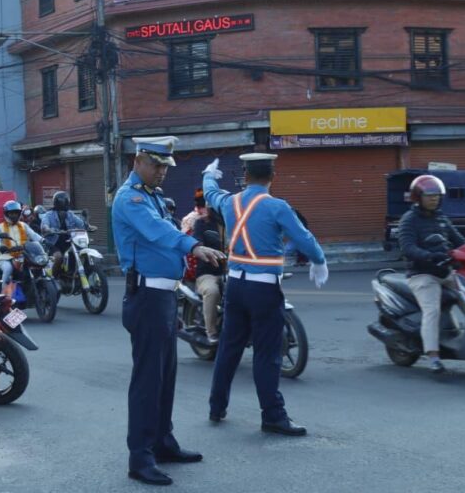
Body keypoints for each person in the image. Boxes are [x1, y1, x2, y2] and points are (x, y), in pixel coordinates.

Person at [112, 136, 225, 487]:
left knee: (165, 378)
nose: (161, 171)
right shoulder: (130, 199)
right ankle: (140, 457)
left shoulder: (154, 196)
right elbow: (158, 231)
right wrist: (193, 245)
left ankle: (162, 442)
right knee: (147, 382)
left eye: (165, 166)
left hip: (163, 296)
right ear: (137, 162)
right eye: (155, 164)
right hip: (146, 297)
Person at [203, 152, 327, 437]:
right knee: (267, 353)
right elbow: (303, 237)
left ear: (245, 176)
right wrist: (319, 261)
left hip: (235, 286)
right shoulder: (277, 207)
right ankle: (273, 416)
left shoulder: (229, 202)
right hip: (263, 288)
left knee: (229, 348)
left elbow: (210, 193)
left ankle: (216, 407)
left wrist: (208, 174)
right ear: (273, 177)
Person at [398, 174, 465, 374]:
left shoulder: (441, 218)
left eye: (437, 195)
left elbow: (460, 241)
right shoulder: (409, 220)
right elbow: (408, 248)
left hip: (446, 271)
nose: (434, 199)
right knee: (432, 310)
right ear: (418, 197)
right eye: (429, 195)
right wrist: (429, 256)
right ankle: (433, 356)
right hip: (422, 274)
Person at [0, 201, 44, 296]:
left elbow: (33, 235)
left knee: (38, 265)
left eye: (16, 213)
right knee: (8, 269)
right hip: (7, 256)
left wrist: (43, 240)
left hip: (24, 254)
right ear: (6, 214)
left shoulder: (23, 225)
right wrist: (0, 246)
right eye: (11, 213)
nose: (14, 215)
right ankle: (3, 294)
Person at [193, 207, 225, 344]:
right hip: (208, 272)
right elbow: (197, 241)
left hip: (232, 272)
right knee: (212, 291)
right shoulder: (202, 223)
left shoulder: (235, 222)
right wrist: (204, 249)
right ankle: (211, 332)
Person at [41, 192, 86, 277]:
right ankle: (52, 278)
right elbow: (44, 225)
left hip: (68, 242)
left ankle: (72, 273)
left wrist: (87, 225)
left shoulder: (70, 214)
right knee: (58, 257)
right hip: (53, 243)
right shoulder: (48, 215)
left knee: (78, 252)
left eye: (65, 201)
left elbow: (80, 224)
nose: (63, 203)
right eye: (62, 201)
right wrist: (48, 229)